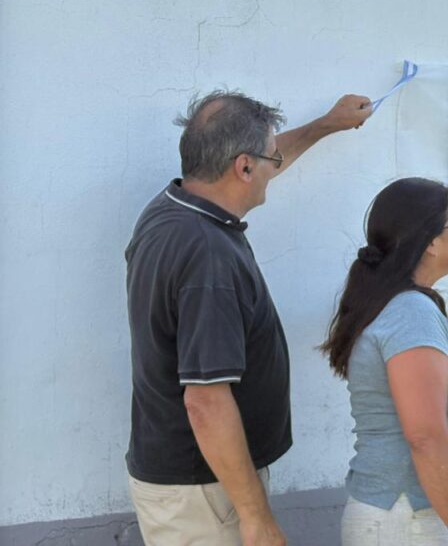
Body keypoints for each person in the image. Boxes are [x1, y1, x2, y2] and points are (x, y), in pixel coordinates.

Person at [125, 89, 371, 546]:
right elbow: (206, 402)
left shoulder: (170, 209)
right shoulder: (207, 258)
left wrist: (325, 125)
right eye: (269, 159)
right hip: (205, 492)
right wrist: (256, 516)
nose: (274, 167)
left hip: (196, 481)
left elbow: (264, 159)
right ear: (242, 167)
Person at [321, 178, 448, 546]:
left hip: (417, 517)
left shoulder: (403, 305)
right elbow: (426, 438)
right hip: (413, 521)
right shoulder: (410, 313)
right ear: (431, 242)